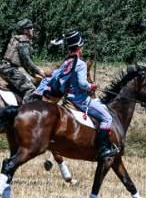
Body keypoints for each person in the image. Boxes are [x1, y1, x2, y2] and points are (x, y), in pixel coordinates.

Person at [35, 29, 119, 160]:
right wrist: (91, 86)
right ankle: (103, 149)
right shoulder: (80, 64)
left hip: (69, 99)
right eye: (82, 46)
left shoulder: (67, 62)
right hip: (81, 101)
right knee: (107, 118)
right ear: (79, 46)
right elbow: (81, 83)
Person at [0, 19, 47, 101]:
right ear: (25, 30)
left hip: (5, 68)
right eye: (31, 28)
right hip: (10, 70)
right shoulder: (23, 41)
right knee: (31, 89)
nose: (33, 30)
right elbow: (27, 60)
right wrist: (39, 71)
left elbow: (24, 64)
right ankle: (25, 111)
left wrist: (34, 75)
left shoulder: (16, 39)